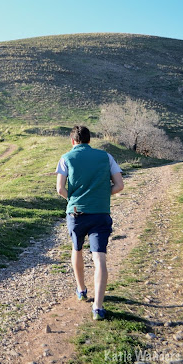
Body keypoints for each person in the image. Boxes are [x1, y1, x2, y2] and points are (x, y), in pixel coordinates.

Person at [55, 125, 124, 320]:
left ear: (72, 141)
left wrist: (74, 200)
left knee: (76, 249)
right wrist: (101, 195)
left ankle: (81, 289)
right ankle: (98, 308)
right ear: (89, 140)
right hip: (100, 212)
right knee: (99, 257)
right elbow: (119, 185)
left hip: (76, 213)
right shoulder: (106, 157)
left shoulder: (66, 158)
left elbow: (60, 189)